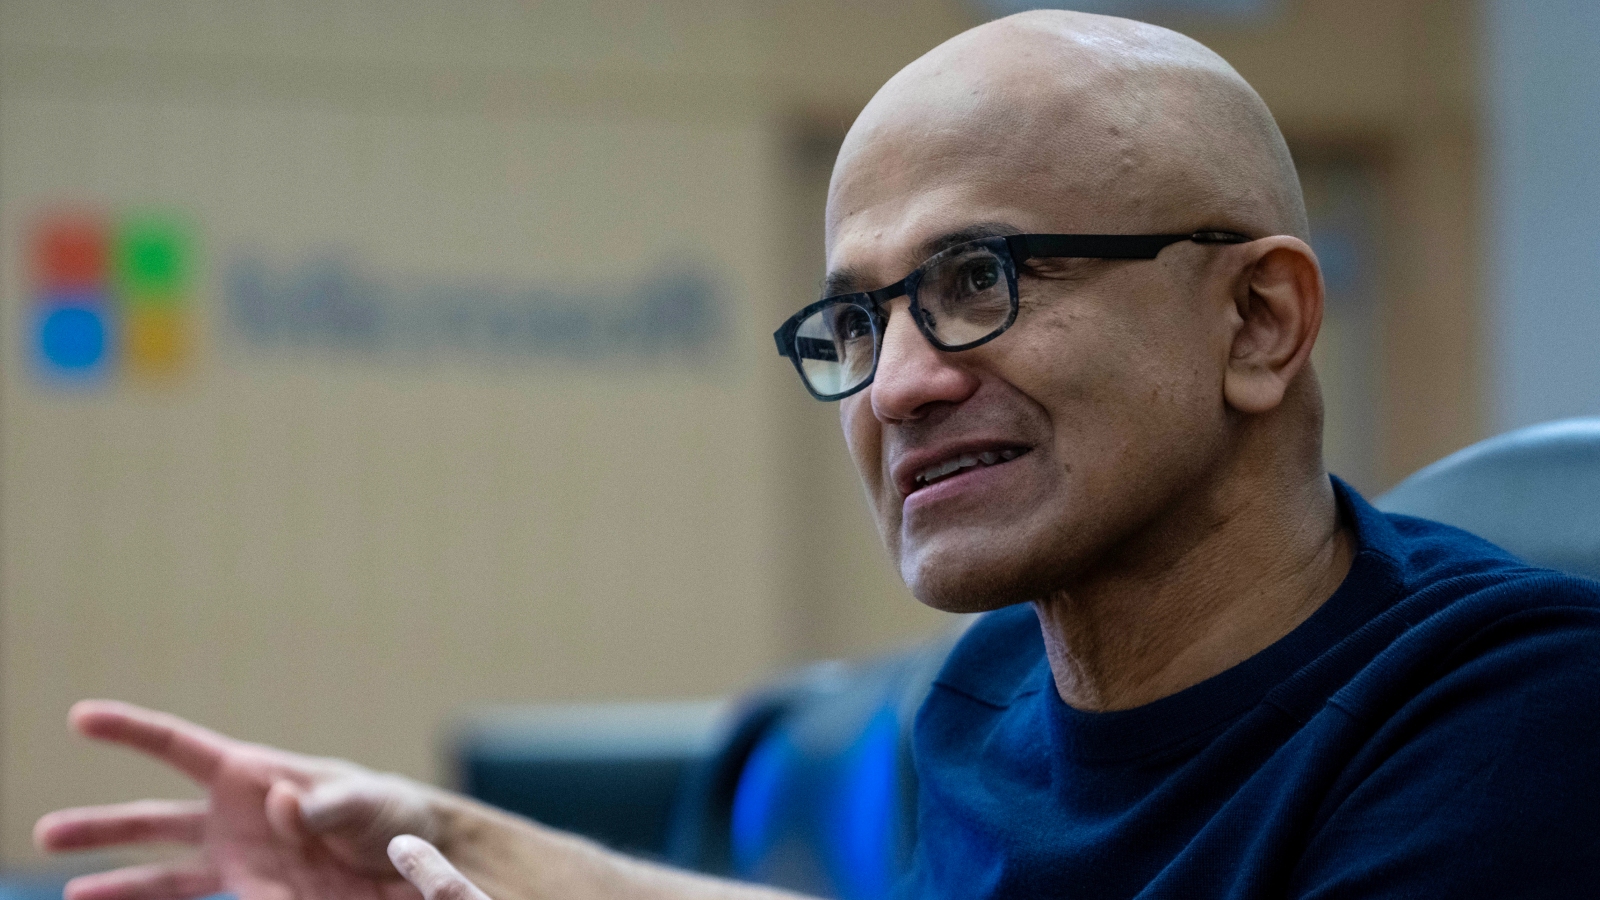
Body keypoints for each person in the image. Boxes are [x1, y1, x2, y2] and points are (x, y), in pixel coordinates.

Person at [36, 10, 1600, 900]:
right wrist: (448, 845)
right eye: (857, 321)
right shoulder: (994, 689)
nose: (900, 385)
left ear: (1258, 321)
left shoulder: (1512, 723)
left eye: (978, 280)